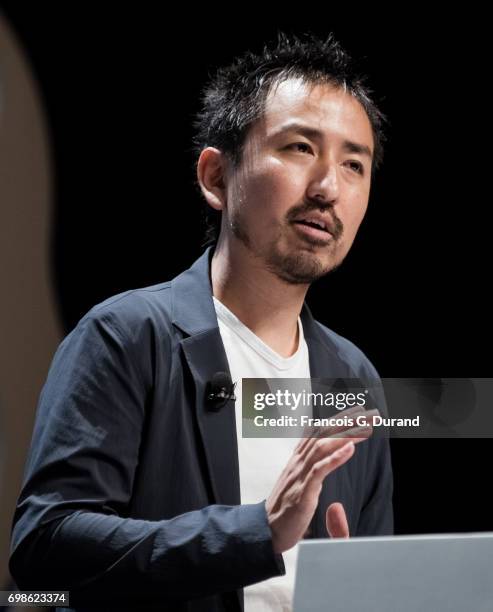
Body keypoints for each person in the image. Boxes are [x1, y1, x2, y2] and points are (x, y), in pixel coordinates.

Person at [9, 31, 393, 611]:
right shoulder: (128, 335)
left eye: (354, 164)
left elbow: (376, 576)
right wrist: (255, 532)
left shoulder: (352, 376)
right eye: (299, 148)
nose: (328, 187)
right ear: (216, 177)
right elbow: (46, 547)